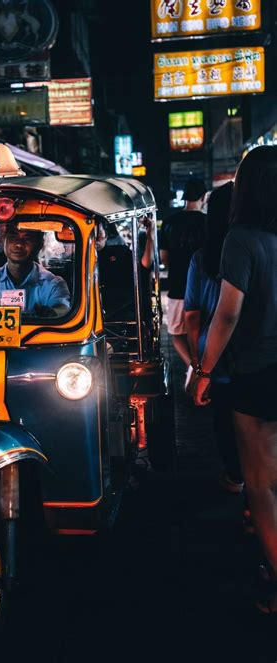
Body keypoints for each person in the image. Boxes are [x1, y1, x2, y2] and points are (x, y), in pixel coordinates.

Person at [193, 146, 277, 614]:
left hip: (258, 374)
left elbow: (226, 315)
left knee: (262, 485)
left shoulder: (240, 239)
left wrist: (204, 372)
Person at [184, 182, 243, 492]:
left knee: (223, 418)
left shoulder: (201, 257)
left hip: (214, 353)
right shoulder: (254, 248)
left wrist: (198, 364)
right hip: (248, 351)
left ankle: (235, 475)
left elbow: (192, 315)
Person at [160, 177, 207, 366]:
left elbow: (164, 258)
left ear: (184, 197)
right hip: (204, 290)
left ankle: (193, 368)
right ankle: (204, 368)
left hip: (178, 287)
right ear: (203, 197)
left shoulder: (169, 223)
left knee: (177, 334)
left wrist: (178, 271)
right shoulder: (208, 222)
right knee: (203, 333)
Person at [0, 225, 70, 317]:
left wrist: (51, 313)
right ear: (4, 241)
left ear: (40, 244)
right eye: (13, 236)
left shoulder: (53, 284)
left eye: (27, 238)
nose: (19, 244)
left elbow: (63, 309)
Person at [97, 216, 155, 322]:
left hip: (121, 315)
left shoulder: (120, 253)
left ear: (106, 236)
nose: (96, 239)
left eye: (99, 234)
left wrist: (150, 237)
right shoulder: (78, 260)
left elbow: (143, 267)